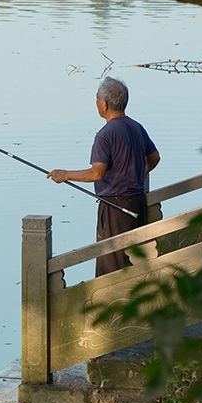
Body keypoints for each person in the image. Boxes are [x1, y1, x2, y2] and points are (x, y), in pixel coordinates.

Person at [47, 77, 160, 276]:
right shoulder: (136, 127)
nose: (97, 103)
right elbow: (155, 158)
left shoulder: (105, 135)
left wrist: (65, 175)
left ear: (104, 104)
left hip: (115, 207)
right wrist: (138, 175)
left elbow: (97, 173)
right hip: (138, 202)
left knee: (111, 265)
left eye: (97, 99)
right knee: (136, 259)